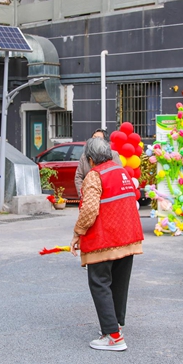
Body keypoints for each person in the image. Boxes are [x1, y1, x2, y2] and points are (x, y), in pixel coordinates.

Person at [70, 137, 144, 351]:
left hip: (105, 239)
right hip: (127, 236)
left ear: (90, 159)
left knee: (100, 283)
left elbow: (89, 210)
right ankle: (115, 325)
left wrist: (78, 232)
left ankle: (113, 336)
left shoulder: (95, 175)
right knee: (119, 283)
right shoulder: (122, 171)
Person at [74, 128, 122, 196]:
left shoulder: (113, 155)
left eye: (98, 138)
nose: (95, 141)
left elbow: (118, 176)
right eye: (94, 138)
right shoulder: (84, 156)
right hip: (89, 195)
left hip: (108, 196)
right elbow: (78, 177)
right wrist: (82, 194)